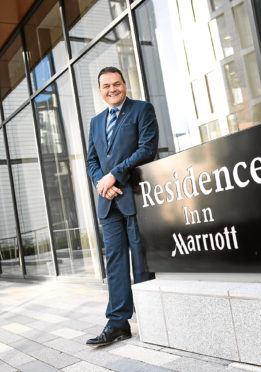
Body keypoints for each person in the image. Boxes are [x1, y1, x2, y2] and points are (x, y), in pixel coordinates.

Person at [85, 66, 158, 346]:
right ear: (100, 90)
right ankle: (118, 325)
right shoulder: (95, 122)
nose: (112, 89)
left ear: (124, 85)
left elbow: (146, 149)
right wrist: (101, 183)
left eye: (117, 84)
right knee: (115, 263)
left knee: (141, 260)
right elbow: (91, 160)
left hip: (135, 196)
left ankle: (151, 317)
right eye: (106, 86)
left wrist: (115, 173)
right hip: (108, 202)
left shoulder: (141, 110)